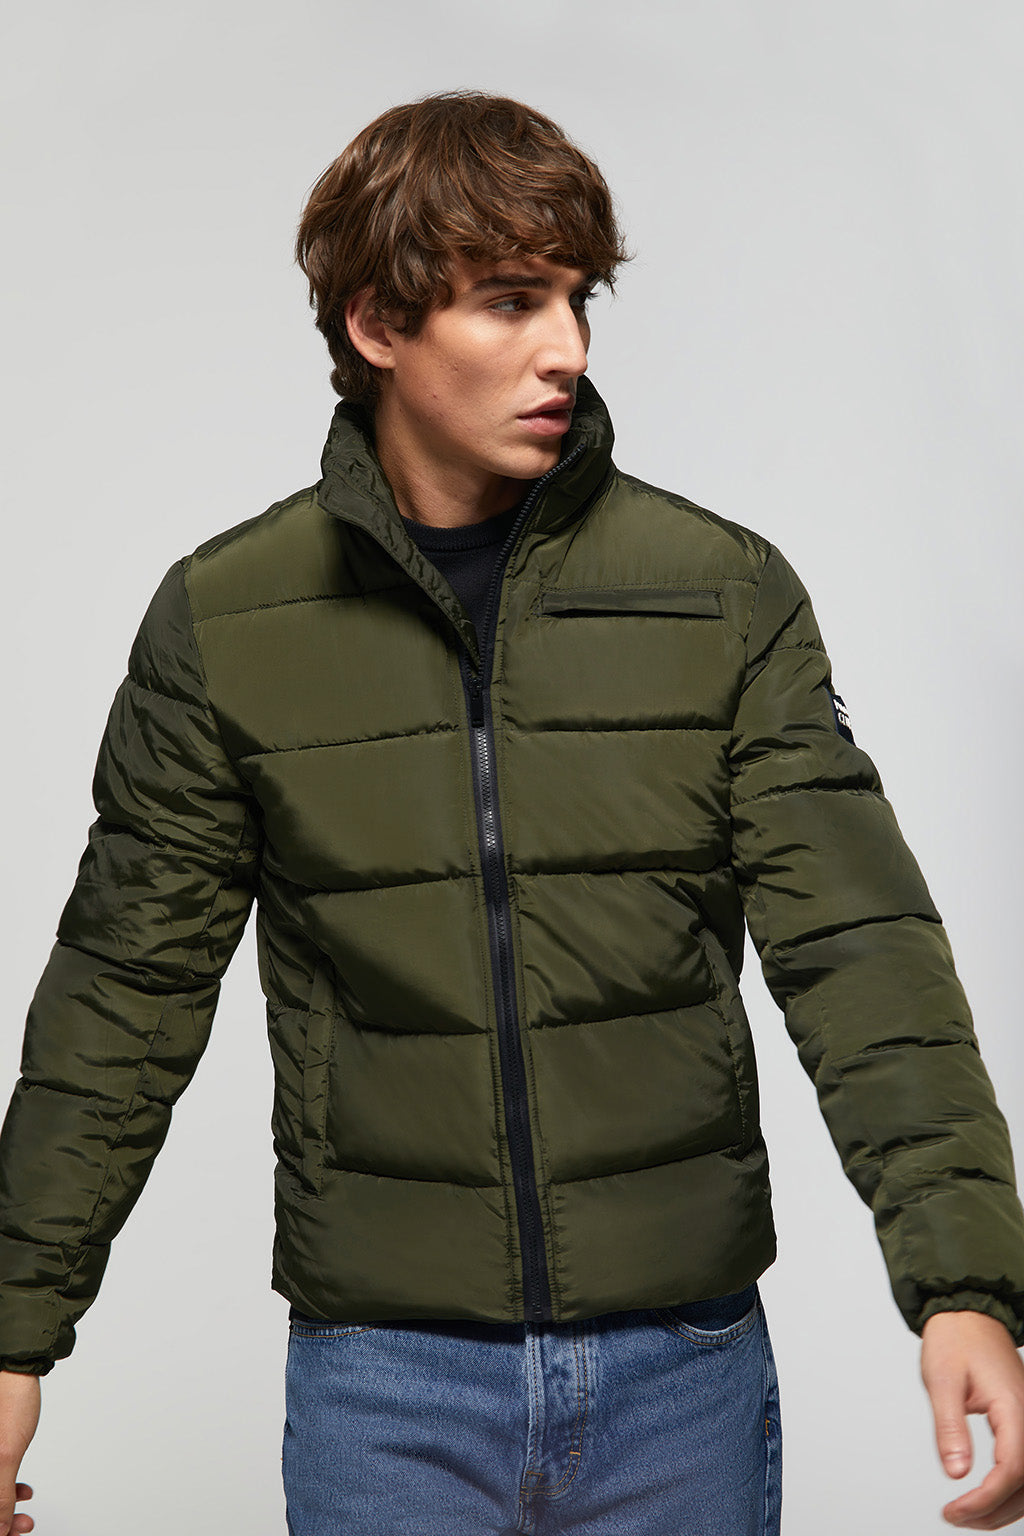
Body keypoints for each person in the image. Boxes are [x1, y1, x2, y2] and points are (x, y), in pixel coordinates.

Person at [1, 89, 1023, 1536]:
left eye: (575, 299)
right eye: (510, 301)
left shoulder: (722, 597)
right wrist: (13, 1335)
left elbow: (862, 958)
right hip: (384, 1381)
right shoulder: (227, 624)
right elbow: (122, 997)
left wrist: (968, 1283)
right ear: (378, 324)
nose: (569, 349)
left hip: (682, 1370)